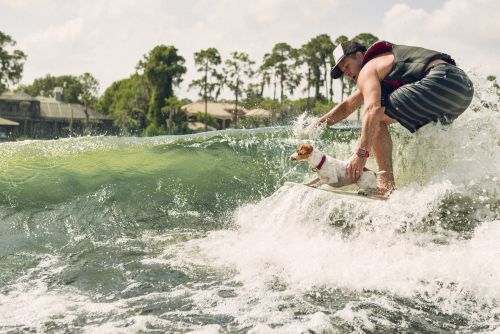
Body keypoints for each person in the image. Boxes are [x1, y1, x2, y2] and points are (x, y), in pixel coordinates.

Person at [316, 40, 474, 196]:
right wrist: (316, 125)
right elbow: (348, 105)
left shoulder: (368, 69)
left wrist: (361, 155)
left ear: (359, 55)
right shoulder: (384, 64)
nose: (347, 73)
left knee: (376, 119)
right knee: (425, 134)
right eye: (343, 71)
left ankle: (386, 185)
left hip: (439, 81)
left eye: (347, 65)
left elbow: (373, 110)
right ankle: (441, 189)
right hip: (463, 89)